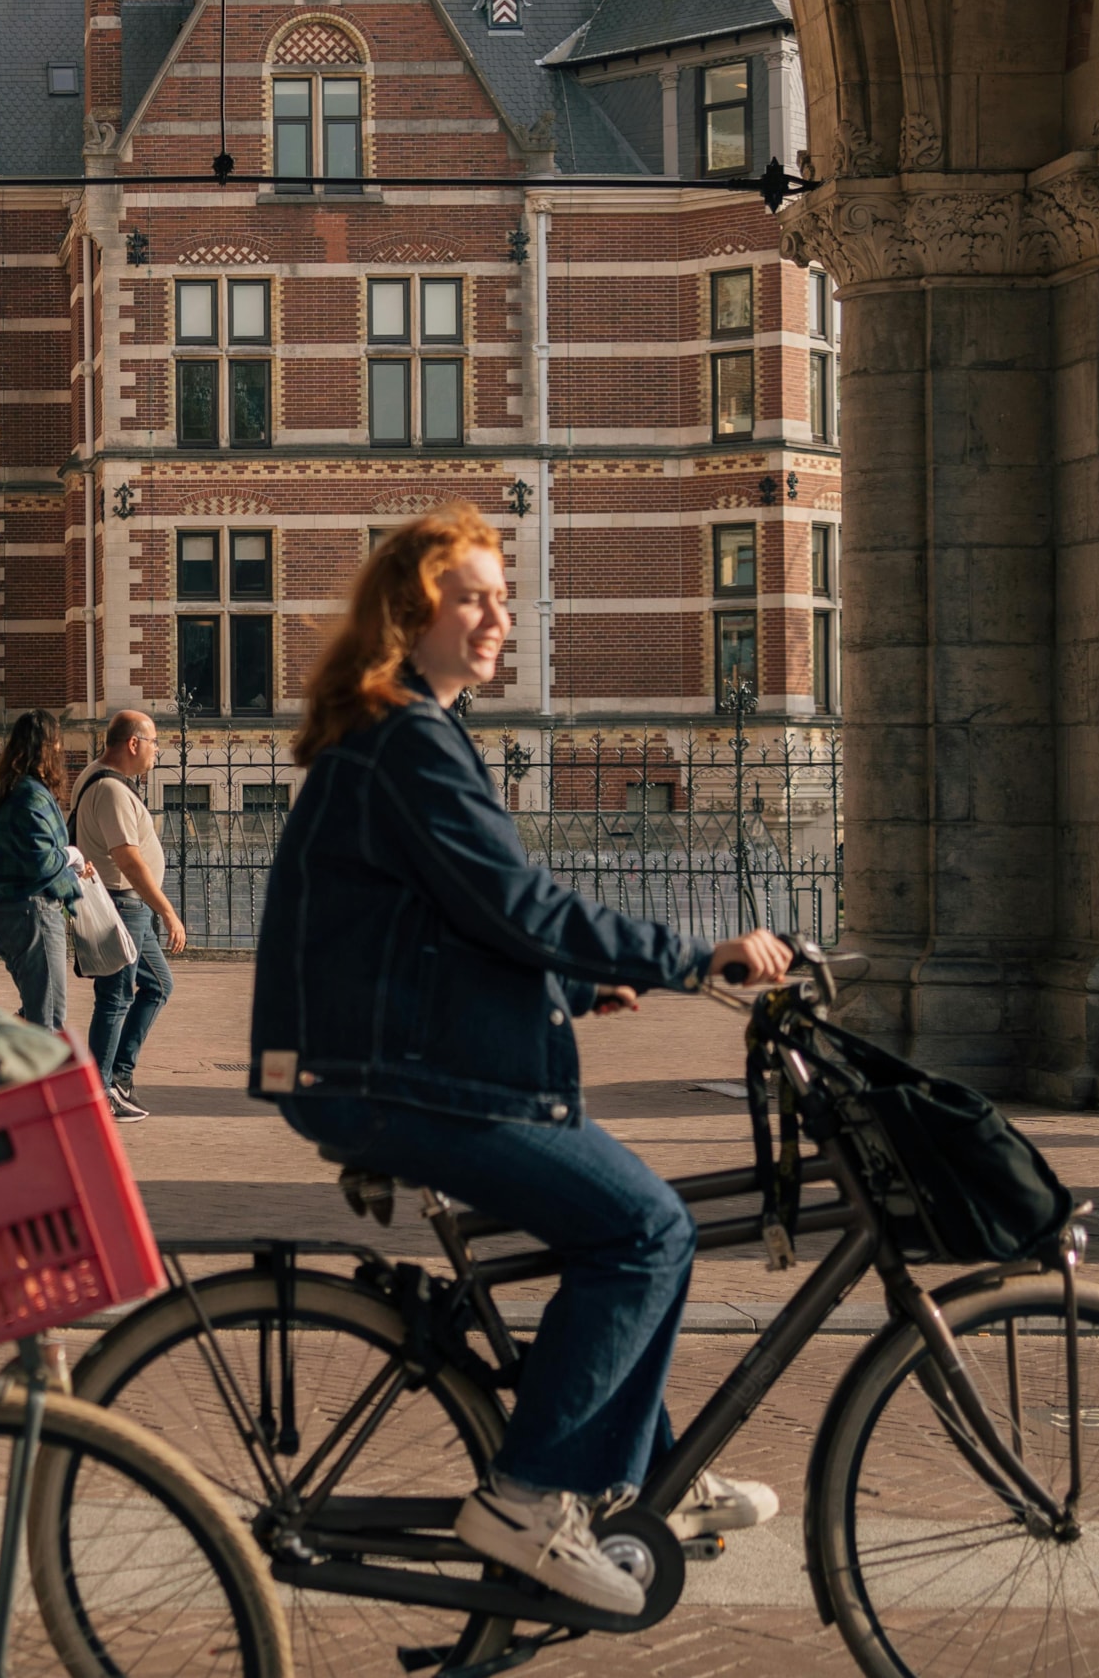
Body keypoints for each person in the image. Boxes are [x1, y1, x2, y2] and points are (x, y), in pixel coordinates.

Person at [249, 502, 792, 1620]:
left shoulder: (407, 729)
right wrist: (698, 955)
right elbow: (514, 898)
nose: (502, 614)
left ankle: (634, 1477)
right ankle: (532, 1494)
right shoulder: (405, 736)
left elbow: (447, 922)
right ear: (413, 612)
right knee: (646, 1230)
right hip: (390, 1080)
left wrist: (571, 982)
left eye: (505, 596)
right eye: (476, 596)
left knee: (647, 1232)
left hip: (387, 1062)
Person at [72, 709, 185, 1121]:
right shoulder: (112, 790)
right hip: (122, 904)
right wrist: (169, 912)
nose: (158, 750)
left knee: (157, 985)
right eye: (154, 741)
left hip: (128, 907)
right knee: (115, 999)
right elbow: (128, 859)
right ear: (133, 743)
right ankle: (100, 1092)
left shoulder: (99, 779)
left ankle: (118, 1076)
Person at [0, 710, 80, 1030]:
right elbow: (42, 860)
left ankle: (1, 1061)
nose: (62, 750)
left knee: (37, 1011)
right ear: (48, 748)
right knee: (47, 1020)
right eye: (57, 743)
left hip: (6, 911)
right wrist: (71, 856)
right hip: (32, 913)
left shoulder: (6, 792)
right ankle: (3, 1067)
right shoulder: (31, 795)